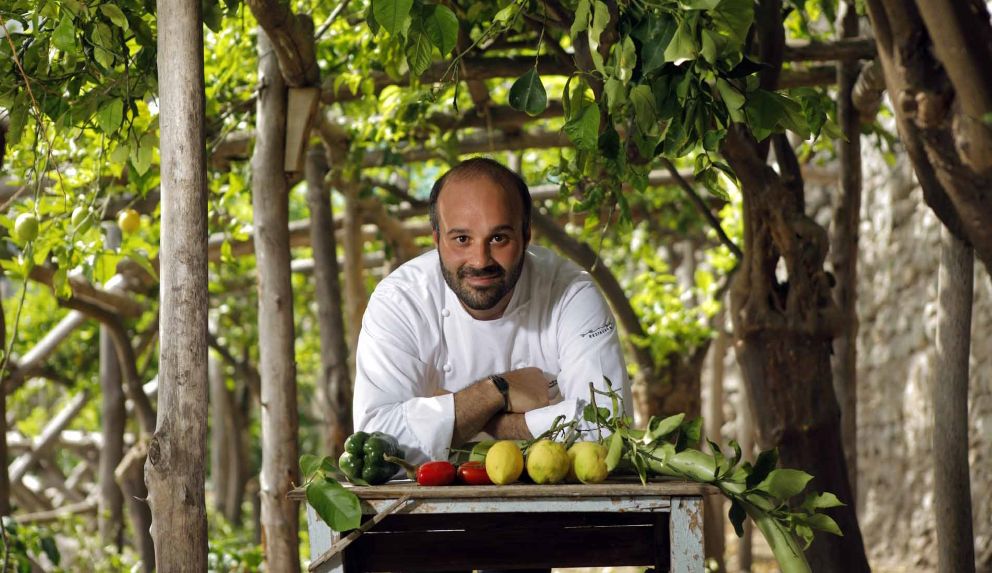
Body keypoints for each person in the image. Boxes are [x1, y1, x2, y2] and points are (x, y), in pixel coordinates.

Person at [352, 157, 632, 465]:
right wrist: (495, 392)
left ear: (526, 235)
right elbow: (375, 445)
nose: (480, 259)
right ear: (436, 240)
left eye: (498, 238)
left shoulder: (571, 294)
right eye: (462, 239)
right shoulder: (401, 300)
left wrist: (480, 422)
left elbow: (607, 427)